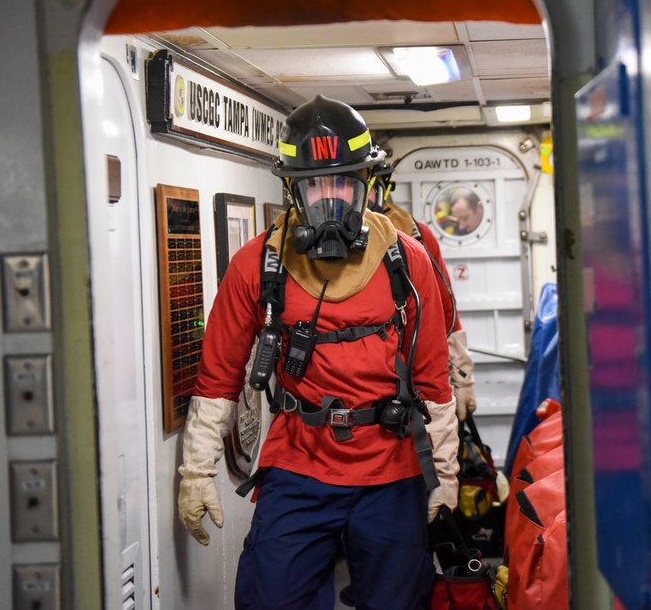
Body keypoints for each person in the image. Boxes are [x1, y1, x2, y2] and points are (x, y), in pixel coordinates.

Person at [176, 95, 459, 609]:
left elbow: (434, 379)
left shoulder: (407, 261)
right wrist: (196, 473)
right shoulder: (257, 264)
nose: (330, 201)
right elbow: (218, 376)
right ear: (293, 190)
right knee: (270, 599)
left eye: (343, 185)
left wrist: (445, 475)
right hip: (298, 466)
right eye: (315, 186)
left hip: (391, 470)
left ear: (366, 185)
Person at [368, 167, 477, 422]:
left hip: (416, 383)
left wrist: (462, 380)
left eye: (372, 188)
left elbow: (447, 312)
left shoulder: (416, 239)